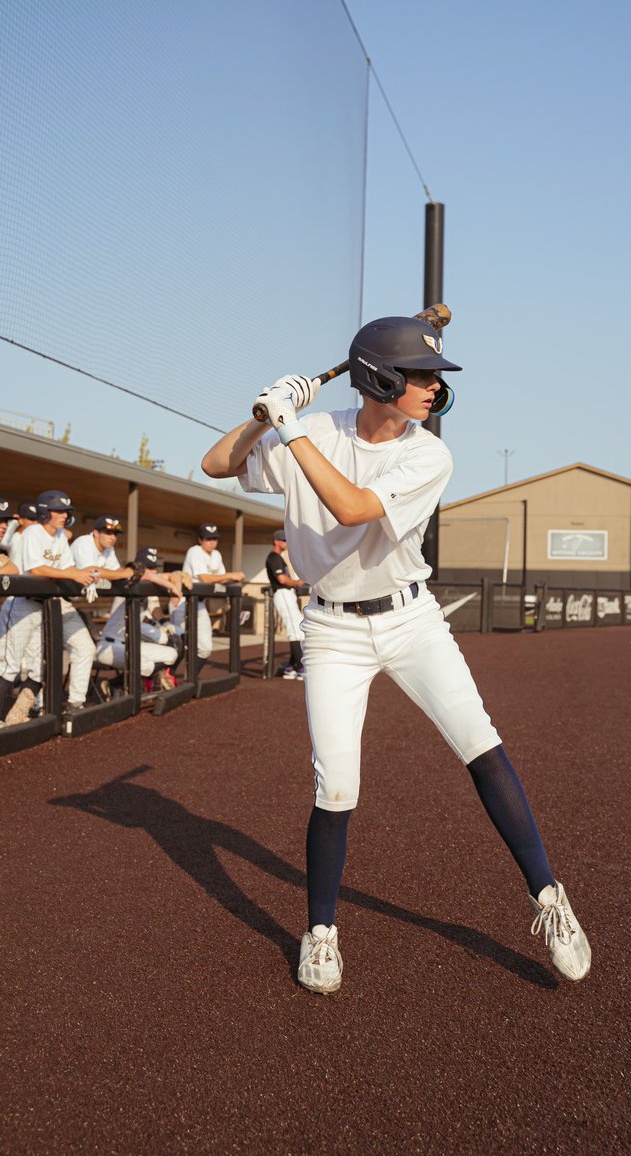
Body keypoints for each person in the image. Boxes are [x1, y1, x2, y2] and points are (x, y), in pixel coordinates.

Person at [201, 315, 591, 995]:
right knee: (337, 785)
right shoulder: (315, 432)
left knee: (480, 744)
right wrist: (262, 414)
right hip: (332, 631)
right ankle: (321, 931)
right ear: (379, 377)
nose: (432, 388)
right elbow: (215, 464)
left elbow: (352, 507)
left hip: (411, 619)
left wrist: (289, 427)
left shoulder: (428, 455)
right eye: (419, 375)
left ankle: (550, 898)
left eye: (434, 376)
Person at [0, 490, 97, 724]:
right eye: (59, 511)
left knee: (37, 667)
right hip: (21, 604)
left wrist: (85, 575)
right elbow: (36, 570)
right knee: (8, 666)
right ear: (45, 512)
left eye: (66, 511)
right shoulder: (33, 532)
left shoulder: (61, 536)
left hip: (42, 606)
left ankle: (18, 715)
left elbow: (68, 568)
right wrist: (73, 574)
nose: (64, 515)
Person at [95, 546, 181, 695]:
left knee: (171, 654)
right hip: (110, 646)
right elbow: (145, 575)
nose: (152, 571)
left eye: (154, 567)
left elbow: (173, 575)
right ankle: (120, 688)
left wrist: (175, 585)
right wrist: (169, 585)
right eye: (148, 567)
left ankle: (113, 685)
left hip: (131, 645)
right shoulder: (128, 578)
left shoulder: (151, 583)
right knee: (145, 664)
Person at [172, 524, 244, 675]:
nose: (211, 542)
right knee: (179, 644)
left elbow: (221, 579)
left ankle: (189, 678)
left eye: (214, 539)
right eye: (207, 539)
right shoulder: (195, 551)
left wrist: (233, 578)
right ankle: (166, 676)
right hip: (182, 604)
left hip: (199, 605)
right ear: (200, 539)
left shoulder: (216, 554)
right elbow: (204, 578)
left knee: (205, 648)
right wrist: (230, 575)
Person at [266, 528, 306, 679]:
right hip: (282, 593)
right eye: (283, 540)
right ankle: (300, 667)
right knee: (295, 630)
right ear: (276, 541)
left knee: (299, 629)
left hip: (288, 594)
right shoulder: (273, 557)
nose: (286, 542)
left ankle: (292, 667)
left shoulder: (280, 557)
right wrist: (296, 582)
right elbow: (282, 579)